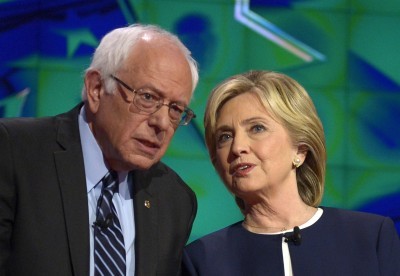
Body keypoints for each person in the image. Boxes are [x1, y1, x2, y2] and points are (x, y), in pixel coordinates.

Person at [0, 23, 198, 275]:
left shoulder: (175, 199)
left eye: (175, 109)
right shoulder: (13, 151)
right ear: (96, 88)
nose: (161, 122)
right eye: (147, 97)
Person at [182, 70, 400, 275]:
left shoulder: (371, 237)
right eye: (225, 137)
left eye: (257, 128)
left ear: (300, 149)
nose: (238, 147)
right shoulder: (202, 259)